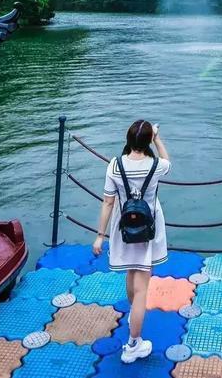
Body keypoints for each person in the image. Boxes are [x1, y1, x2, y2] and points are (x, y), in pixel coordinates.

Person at [93, 119, 171, 363]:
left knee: (131, 272)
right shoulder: (156, 165)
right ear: (147, 141)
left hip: (124, 226)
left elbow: (107, 202)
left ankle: (133, 319)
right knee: (142, 288)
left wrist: (99, 236)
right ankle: (133, 344)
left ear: (127, 140)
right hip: (148, 227)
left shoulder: (115, 166)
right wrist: (157, 138)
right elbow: (168, 161)